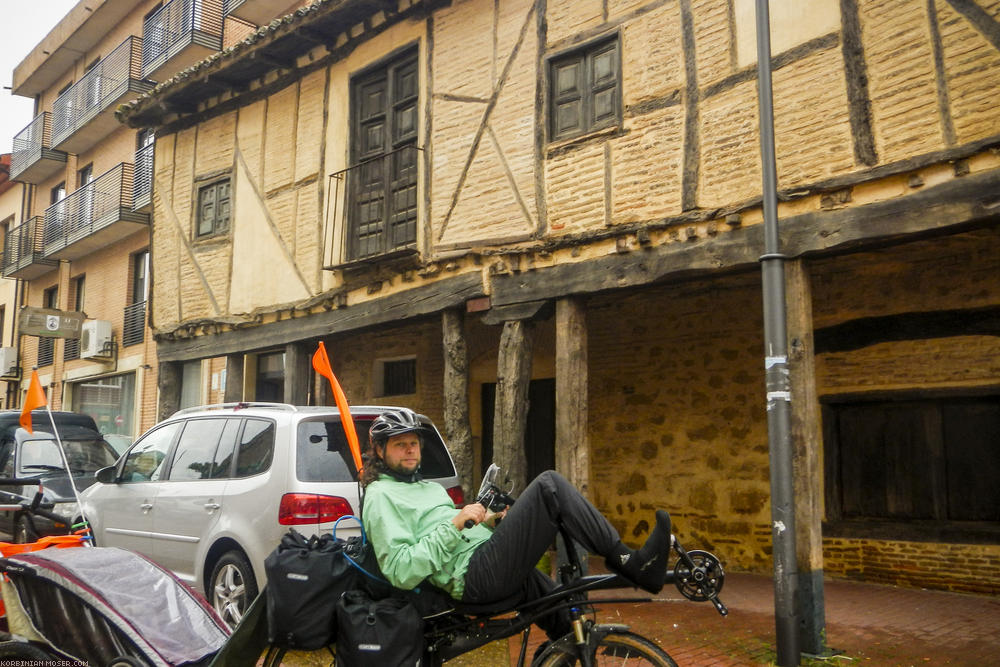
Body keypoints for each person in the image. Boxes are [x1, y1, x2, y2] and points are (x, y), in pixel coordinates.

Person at [360, 408, 673, 639]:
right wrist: (455, 523)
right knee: (549, 486)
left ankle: (566, 654)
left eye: (413, 443)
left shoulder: (428, 488)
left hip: (485, 558)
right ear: (379, 450)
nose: (410, 450)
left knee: (562, 617)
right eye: (400, 444)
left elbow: (460, 535)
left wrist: (493, 523)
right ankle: (630, 563)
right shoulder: (380, 496)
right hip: (472, 577)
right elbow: (401, 570)